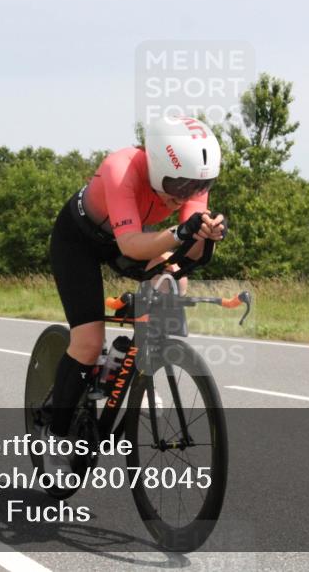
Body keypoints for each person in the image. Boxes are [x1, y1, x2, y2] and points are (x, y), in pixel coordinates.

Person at [43, 115, 226, 474]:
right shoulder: (120, 168)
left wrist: (206, 236)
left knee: (173, 282)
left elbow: (184, 253)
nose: (185, 195)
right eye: (178, 184)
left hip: (128, 240)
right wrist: (181, 231)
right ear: (158, 164)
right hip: (79, 242)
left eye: (195, 187)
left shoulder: (191, 180)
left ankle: (137, 364)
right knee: (87, 341)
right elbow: (131, 244)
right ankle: (55, 432)